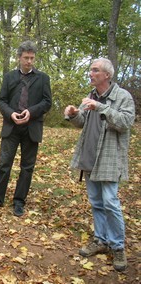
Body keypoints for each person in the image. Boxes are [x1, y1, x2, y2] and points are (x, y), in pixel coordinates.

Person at [64, 58, 135, 272]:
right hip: (89, 156)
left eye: (95, 70)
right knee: (96, 202)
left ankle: (118, 246)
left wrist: (101, 107)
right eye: (90, 69)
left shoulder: (122, 97)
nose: (90, 73)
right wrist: (74, 114)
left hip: (109, 158)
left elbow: (125, 123)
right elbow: (83, 123)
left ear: (106, 75)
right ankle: (101, 240)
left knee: (110, 202)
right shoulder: (91, 97)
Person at [0, 40, 52, 217]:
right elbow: (1, 100)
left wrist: (31, 111)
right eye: (26, 58)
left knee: (27, 167)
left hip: (32, 127)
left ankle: (19, 202)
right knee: (4, 164)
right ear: (19, 58)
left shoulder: (43, 78)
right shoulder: (9, 77)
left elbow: (47, 102)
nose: (29, 61)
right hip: (11, 127)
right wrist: (10, 114)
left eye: (32, 58)